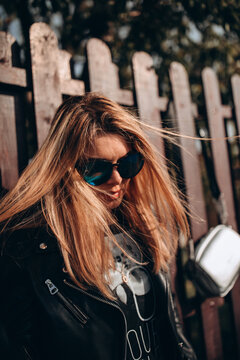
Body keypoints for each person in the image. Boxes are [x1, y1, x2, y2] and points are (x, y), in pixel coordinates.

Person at [0, 93, 197, 360]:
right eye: (97, 169)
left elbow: (171, 331)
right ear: (65, 168)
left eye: (127, 164)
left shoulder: (141, 225)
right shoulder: (30, 250)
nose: (116, 179)